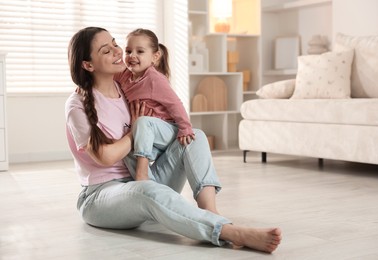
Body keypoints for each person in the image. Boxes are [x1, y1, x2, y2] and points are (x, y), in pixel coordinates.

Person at [65, 26, 282, 253]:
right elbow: (105, 156)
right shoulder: (77, 104)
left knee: (194, 136)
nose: (118, 52)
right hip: (101, 196)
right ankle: (230, 232)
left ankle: (210, 211)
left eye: (115, 43)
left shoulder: (127, 86)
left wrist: (157, 129)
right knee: (146, 189)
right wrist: (135, 130)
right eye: (105, 50)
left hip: (140, 180)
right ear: (88, 65)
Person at [114, 28, 194, 181]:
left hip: (165, 130)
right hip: (147, 136)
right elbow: (105, 76)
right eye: (128, 51)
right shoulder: (125, 75)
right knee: (125, 148)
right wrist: (87, 85)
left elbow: (175, 104)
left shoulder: (154, 79)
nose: (132, 56)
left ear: (155, 57)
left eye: (140, 51)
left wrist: (185, 127)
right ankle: (149, 186)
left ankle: (142, 172)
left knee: (143, 122)